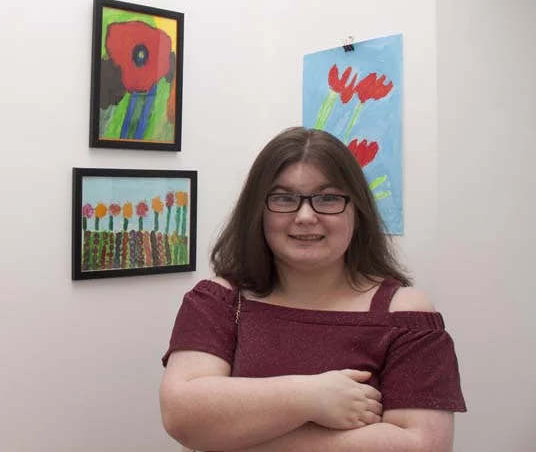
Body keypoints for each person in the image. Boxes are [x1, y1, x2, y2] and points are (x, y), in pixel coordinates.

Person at [159, 127, 466, 452]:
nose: (305, 216)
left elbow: (423, 445)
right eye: (284, 198)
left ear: (357, 211)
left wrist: (230, 435)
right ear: (258, 211)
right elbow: (181, 414)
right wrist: (310, 397)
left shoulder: (405, 315)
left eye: (328, 198)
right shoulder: (218, 301)